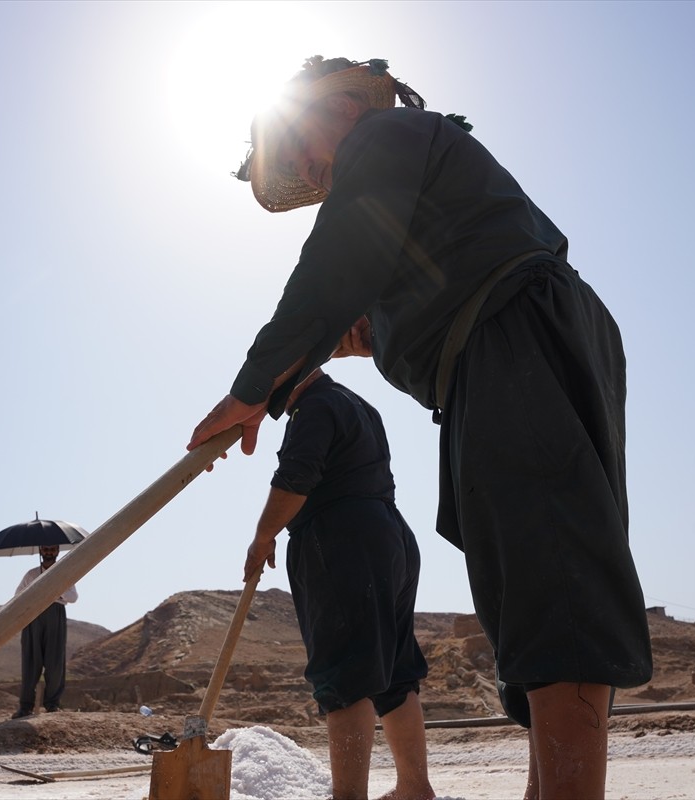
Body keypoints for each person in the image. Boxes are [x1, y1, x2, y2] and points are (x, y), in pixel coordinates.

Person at [188, 56, 653, 799]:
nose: (314, 168)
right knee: (529, 581)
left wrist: (254, 385)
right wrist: (379, 329)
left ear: (343, 106)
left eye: (306, 146)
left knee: (550, 564)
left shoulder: (387, 132)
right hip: (498, 352)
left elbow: (337, 262)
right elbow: (405, 275)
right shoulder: (405, 194)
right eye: (301, 167)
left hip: (516, 335)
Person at [245, 366, 433, 800]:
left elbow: (295, 478)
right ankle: (413, 788)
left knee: (346, 675)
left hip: (343, 543)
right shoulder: (357, 404)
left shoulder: (314, 407)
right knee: (395, 674)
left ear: (294, 369)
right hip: (391, 539)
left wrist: (263, 536)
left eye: (270, 376)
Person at [11, 544, 78, 719]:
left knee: (55, 662)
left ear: (57, 551)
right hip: (33, 616)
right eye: (46, 549)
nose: (49, 552)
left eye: (52, 549)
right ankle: (25, 707)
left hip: (55, 615)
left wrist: (56, 586)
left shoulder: (64, 572)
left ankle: (52, 705)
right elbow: (18, 595)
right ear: (41, 551)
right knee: (31, 662)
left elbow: (73, 597)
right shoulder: (31, 574)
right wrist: (37, 591)